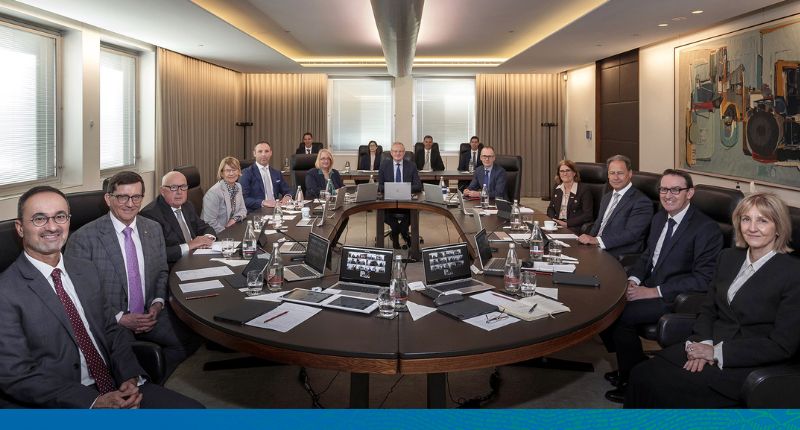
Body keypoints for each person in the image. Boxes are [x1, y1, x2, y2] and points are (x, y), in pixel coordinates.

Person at [0, 185, 202, 408]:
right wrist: (93, 401)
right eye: (39, 219)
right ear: (20, 228)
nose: (52, 227)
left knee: (196, 413)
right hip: (64, 401)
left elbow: (111, 329)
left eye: (60, 217)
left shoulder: (85, 270)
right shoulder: (6, 292)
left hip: (115, 384)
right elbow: (15, 375)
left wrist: (129, 375)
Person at [626, 192, 800, 408]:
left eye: (762, 220)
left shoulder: (793, 273)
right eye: (746, 219)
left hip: (747, 361)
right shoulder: (728, 257)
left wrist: (717, 353)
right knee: (642, 374)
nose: (752, 228)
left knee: (667, 389)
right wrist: (703, 343)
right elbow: (709, 308)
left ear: (779, 227)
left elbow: (782, 345)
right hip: (708, 342)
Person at [600, 169, 723, 403]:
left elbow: (703, 279)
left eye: (676, 189)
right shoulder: (659, 218)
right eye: (664, 189)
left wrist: (653, 291)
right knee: (606, 301)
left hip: (676, 297)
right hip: (648, 285)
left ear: (690, 193)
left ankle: (634, 377)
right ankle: (630, 364)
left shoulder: (705, 228)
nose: (668, 195)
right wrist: (633, 280)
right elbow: (647, 257)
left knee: (619, 315)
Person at [68, 172, 202, 378]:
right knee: (127, 365)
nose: (130, 204)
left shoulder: (152, 229)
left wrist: (157, 303)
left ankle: (153, 384)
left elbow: (161, 272)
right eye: (122, 197)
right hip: (110, 321)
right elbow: (81, 293)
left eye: (136, 197)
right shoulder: (83, 239)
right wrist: (120, 318)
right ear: (108, 199)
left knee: (192, 336)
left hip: (150, 313)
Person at [578, 154, 653, 258]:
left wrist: (597, 240)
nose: (616, 177)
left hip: (618, 253)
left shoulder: (642, 202)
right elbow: (598, 224)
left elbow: (631, 234)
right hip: (596, 248)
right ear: (608, 175)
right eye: (612, 173)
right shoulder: (607, 197)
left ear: (630, 174)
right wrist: (588, 239)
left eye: (620, 173)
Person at [140, 171, 216, 264]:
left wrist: (206, 239)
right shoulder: (150, 215)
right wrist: (190, 245)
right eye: (174, 187)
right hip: (175, 266)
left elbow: (205, 227)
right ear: (162, 191)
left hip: (196, 257)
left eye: (183, 187)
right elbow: (158, 253)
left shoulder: (187, 205)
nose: (179, 192)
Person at [378, 142, 422, 249]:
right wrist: (392, 189)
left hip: (407, 204)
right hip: (389, 204)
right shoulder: (384, 166)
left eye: (401, 151)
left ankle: (401, 235)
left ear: (404, 153)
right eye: (395, 151)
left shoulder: (411, 165)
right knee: (395, 225)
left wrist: (403, 189)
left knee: (403, 226)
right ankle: (401, 237)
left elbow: (418, 186)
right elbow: (380, 185)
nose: (398, 153)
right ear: (391, 153)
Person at [201, 157, 248, 234]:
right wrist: (226, 234)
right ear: (222, 173)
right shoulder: (214, 193)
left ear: (239, 171)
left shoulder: (238, 186)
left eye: (234, 170)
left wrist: (234, 219)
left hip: (232, 229)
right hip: (217, 234)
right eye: (228, 170)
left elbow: (243, 210)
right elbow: (209, 222)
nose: (231, 173)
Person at [240, 141, 292, 211]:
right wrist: (263, 202)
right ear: (254, 153)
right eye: (260, 151)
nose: (263, 154)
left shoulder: (276, 173)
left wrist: (287, 196)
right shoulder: (246, 173)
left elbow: (288, 190)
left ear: (271, 153)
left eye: (266, 151)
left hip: (276, 210)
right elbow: (243, 198)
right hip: (257, 212)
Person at [546, 159, 594, 234]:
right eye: (562, 171)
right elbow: (551, 208)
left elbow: (588, 215)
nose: (565, 173)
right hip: (558, 225)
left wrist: (567, 223)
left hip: (574, 227)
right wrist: (554, 221)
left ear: (574, 173)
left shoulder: (584, 189)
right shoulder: (557, 188)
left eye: (568, 170)